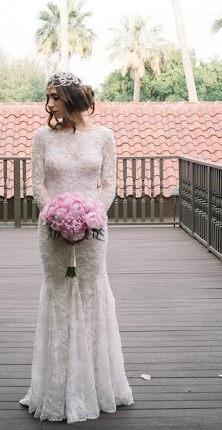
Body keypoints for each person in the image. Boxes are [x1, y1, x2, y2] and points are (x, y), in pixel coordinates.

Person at [19, 71, 134, 423]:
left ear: (71, 99)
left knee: (89, 294)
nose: (49, 103)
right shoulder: (42, 137)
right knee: (58, 297)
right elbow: (38, 184)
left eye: (55, 96)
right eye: (48, 97)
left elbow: (108, 183)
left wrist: (90, 216)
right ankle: (57, 388)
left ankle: (95, 385)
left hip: (93, 229)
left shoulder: (104, 137)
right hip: (52, 229)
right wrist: (54, 215)